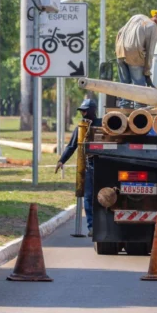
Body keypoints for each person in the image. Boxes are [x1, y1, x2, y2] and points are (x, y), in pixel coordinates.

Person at [54, 99, 101, 235]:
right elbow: (71, 146)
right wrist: (61, 160)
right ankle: (92, 226)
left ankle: (104, 223)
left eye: (85, 110)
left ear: (92, 110)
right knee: (88, 197)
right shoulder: (81, 128)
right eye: (82, 111)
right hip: (89, 165)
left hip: (105, 165)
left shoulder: (103, 124)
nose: (83, 113)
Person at [114, 8, 157, 107]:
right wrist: (147, 72)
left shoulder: (136, 17)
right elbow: (150, 52)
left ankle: (124, 107)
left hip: (119, 51)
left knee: (124, 83)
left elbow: (120, 32)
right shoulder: (153, 26)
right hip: (134, 55)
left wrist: (117, 50)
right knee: (139, 84)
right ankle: (139, 109)